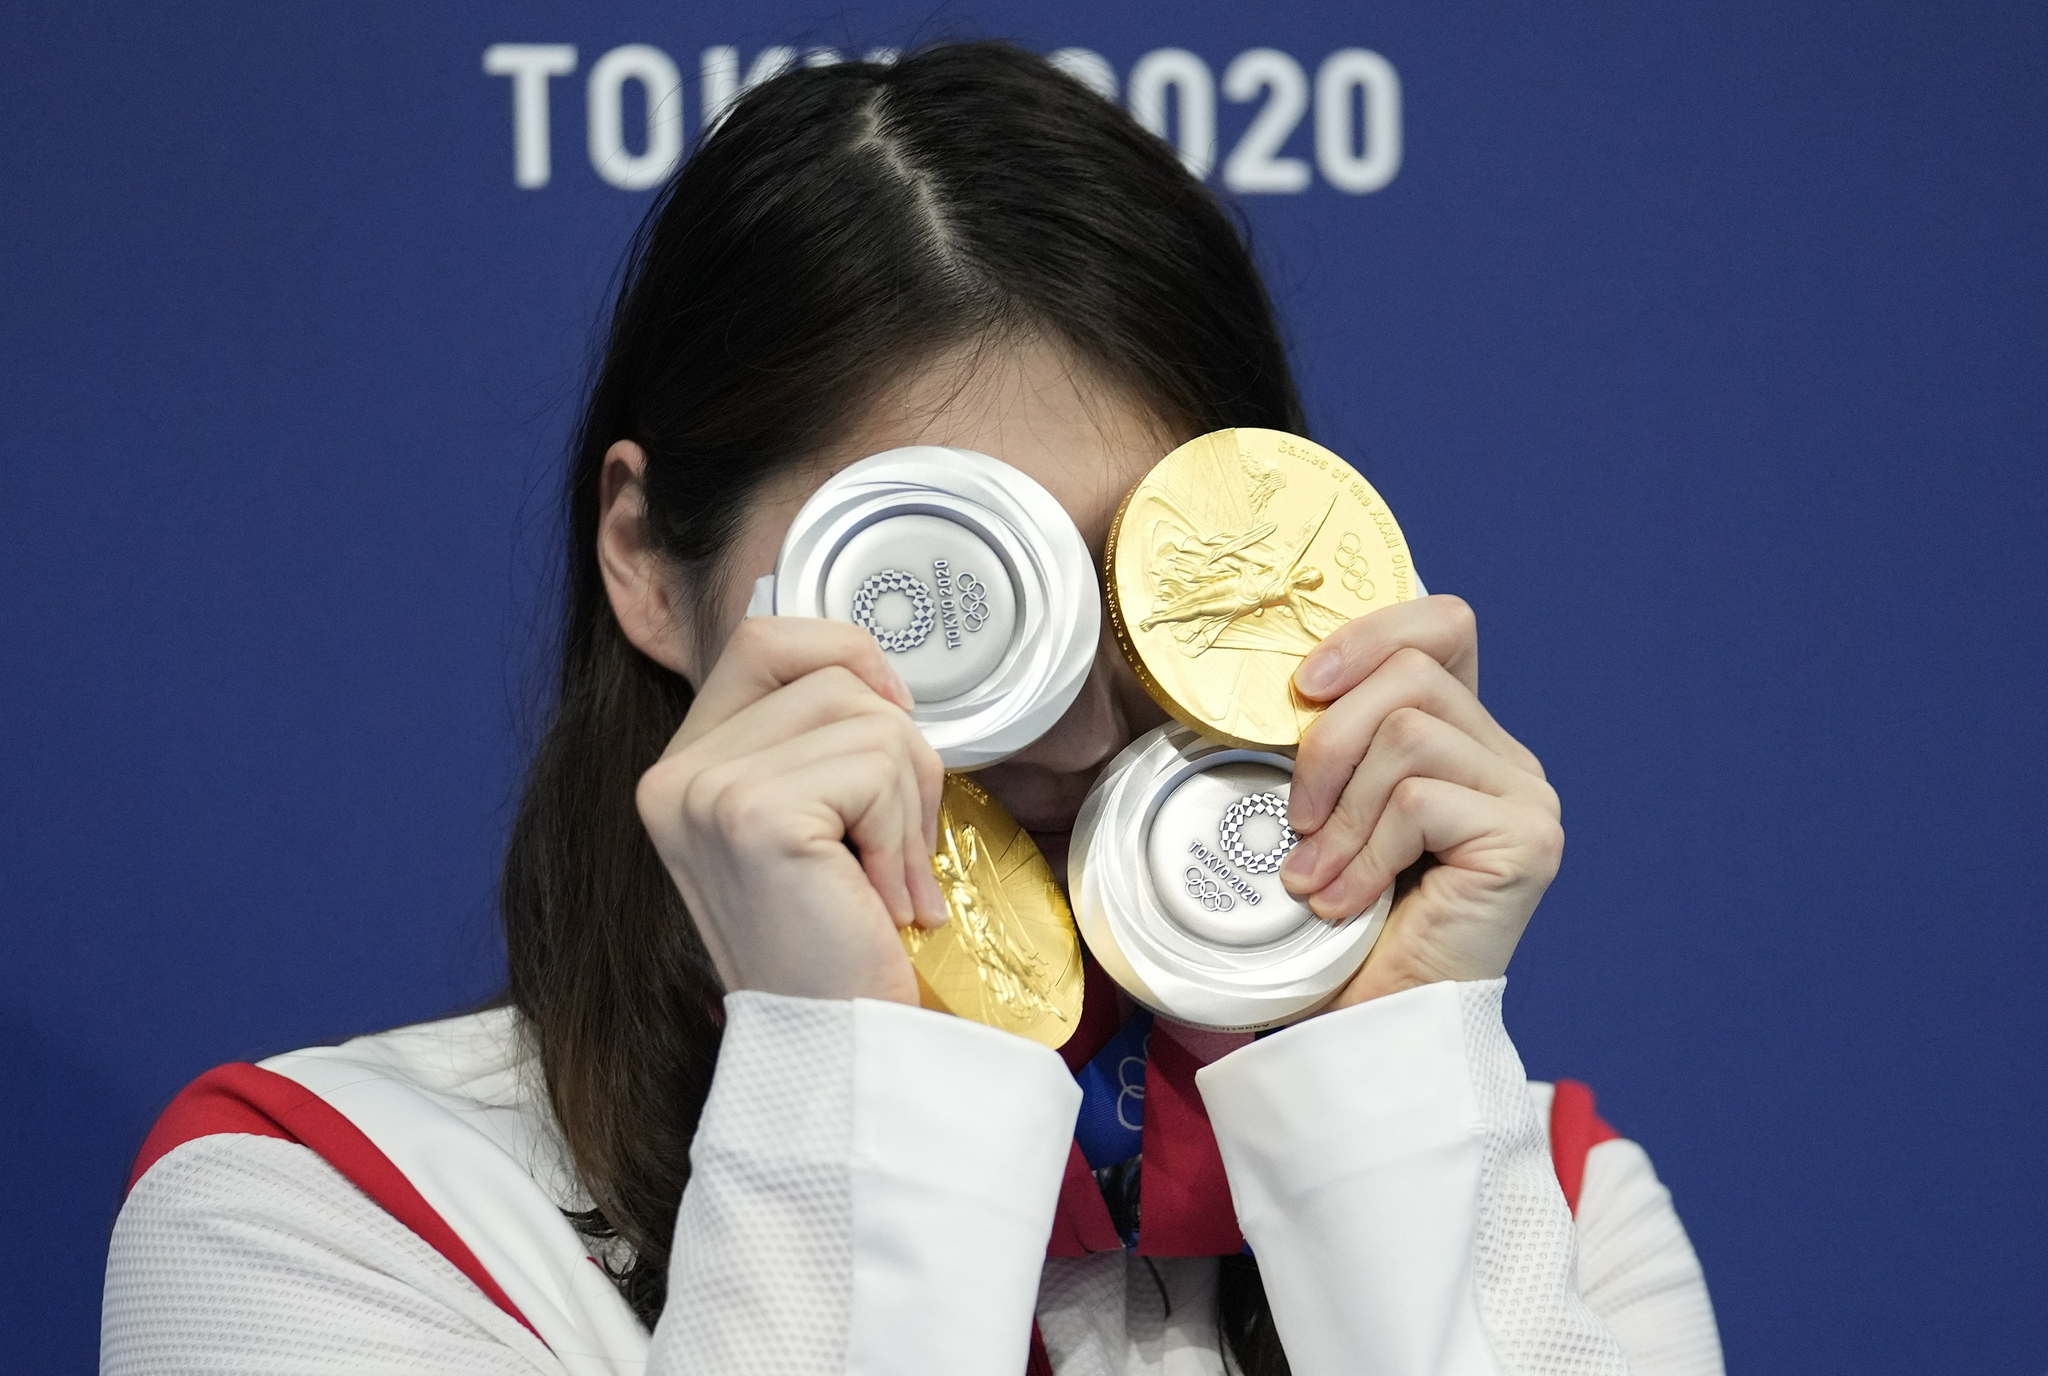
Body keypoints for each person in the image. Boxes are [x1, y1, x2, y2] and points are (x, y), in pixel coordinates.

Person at [101, 42, 1724, 1376]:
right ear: (648, 565)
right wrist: (845, 1068)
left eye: (1147, 591)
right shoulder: (328, 1212)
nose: (1079, 725)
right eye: (953, 603)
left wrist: (1389, 1088)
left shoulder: (1554, 1208)